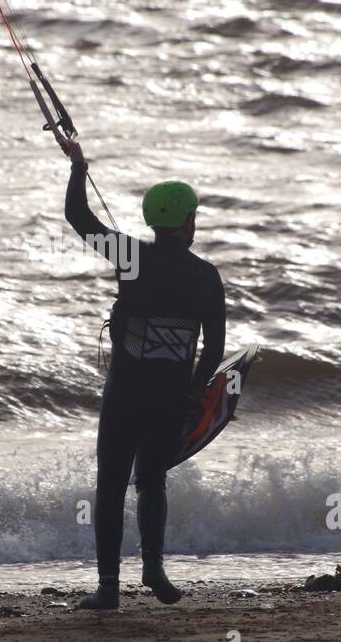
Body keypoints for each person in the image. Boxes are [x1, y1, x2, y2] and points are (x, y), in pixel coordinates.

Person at [62, 139, 225, 610]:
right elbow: (212, 348)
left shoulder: (131, 257)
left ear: (155, 222)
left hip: (125, 394)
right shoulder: (206, 276)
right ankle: (153, 565)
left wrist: (78, 167)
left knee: (111, 483)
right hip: (169, 397)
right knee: (152, 481)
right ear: (186, 222)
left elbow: (79, 218)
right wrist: (193, 394)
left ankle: (109, 588)